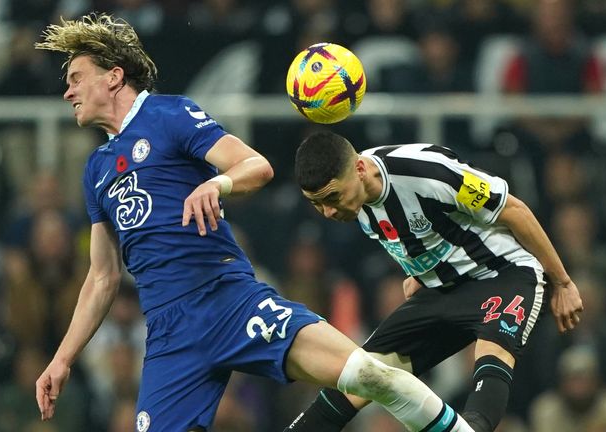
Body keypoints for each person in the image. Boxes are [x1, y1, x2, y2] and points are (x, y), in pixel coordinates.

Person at [33, 13, 476, 432]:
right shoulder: (97, 170)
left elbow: (255, 165)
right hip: (170, 334)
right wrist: (62, 359)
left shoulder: (167, 115)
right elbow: (102, 275)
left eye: (75, 78)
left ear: (113, 76)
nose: (68, 92)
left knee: (370, 376)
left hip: (229, 300)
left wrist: (218, 185)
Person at [286, 131, 584, 432]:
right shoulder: (352, 194)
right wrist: (416, 271)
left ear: (361, 170)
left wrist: (562, 282)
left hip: (503, 274)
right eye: (316, 203)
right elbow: (416, 229)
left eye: (332, 198)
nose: (328, 212)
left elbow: (512, 210)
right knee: (361, 376)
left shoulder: (426, 172)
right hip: (441, 290)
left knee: (492, 350)